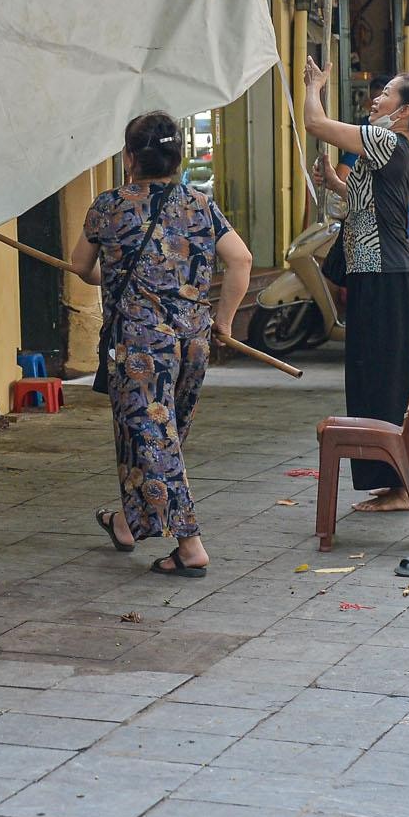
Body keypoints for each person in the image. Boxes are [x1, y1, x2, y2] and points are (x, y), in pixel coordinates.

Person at [70, 112, 252, 577]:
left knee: (153, 438)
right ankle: (128, 525)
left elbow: (81, 267)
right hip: (192, 342)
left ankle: (190, 545)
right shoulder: (199, 203)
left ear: (129, 157)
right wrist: (224, 321)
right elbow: (241, 260)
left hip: (141, 348)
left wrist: (111, 272)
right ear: (179, 158)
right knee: (162, 435)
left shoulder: (108, 206)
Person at [303, 61, 409, 514]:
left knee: (380, 380)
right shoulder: (402, 147)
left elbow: (314, 123)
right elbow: (369, 204)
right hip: (381, 274)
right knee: (374, 377)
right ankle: (391, 479)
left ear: (404, 111)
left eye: (388, 94)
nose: (377, 98)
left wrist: (316, 86)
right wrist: (337, 182)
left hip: (384, 274)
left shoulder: (384, 139)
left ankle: (398, 486)